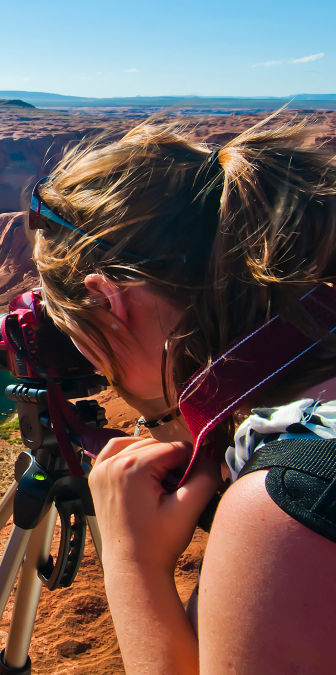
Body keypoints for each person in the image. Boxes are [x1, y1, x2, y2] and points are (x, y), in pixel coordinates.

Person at [28, 114, 336, 674]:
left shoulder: (291, 505)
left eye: (80, 340)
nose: (92, 365)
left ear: (108, 301)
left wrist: (130, 562)